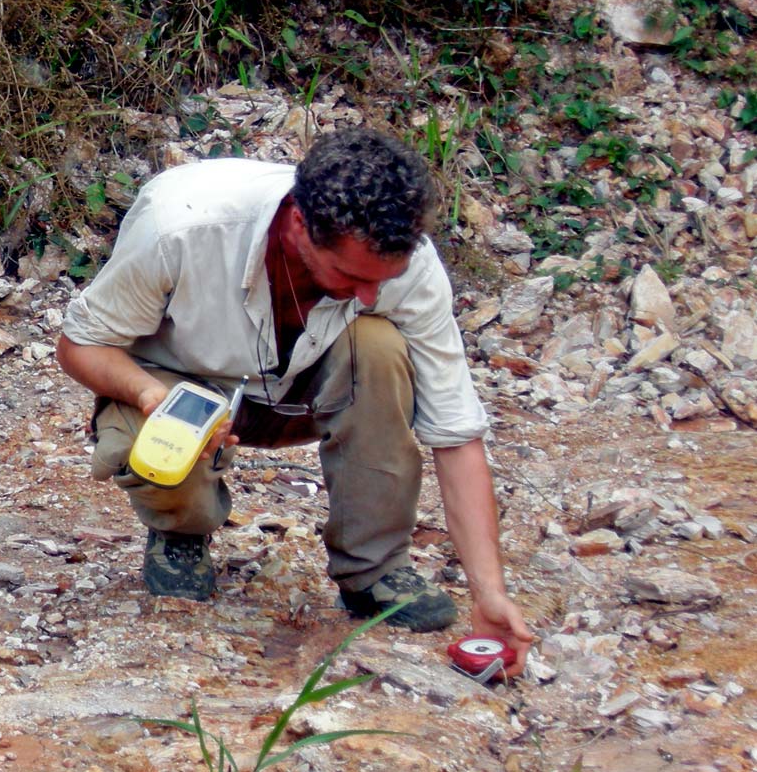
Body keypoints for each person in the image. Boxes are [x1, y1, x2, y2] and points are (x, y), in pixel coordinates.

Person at [57, 128, 532, 675]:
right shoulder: (181, 226)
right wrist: (150, 394)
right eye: (352, 278)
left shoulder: (409, 268)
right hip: (184, 382)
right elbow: (80, 345)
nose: (371, 296)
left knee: (379, 343)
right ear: (300, 225)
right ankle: (179, 534)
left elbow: (456, 433)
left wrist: (489, 592)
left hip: (307, 387)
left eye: (384, 281)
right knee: (157, 431)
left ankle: (373, 570)